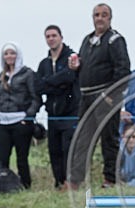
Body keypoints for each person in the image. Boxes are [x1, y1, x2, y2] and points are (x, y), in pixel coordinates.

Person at [67, 3, 131, 189]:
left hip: (105, 97)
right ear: (92, 18)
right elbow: (83, 68)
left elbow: (123, 71)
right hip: (86, 97)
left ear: (110, 18)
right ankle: (75, 181)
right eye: (97, 15)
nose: (100, 18)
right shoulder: (87, 40)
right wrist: (76, 68)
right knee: (82, 140)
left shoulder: (115, 40)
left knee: (109, 140)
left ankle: (110, 180)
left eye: (104, 15)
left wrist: (111, 96)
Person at [35, 25, 80, 189]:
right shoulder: (44, 64)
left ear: (61, 37)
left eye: (54, 35)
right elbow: (38, 86)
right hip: (52, 114)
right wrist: (57, 83)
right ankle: (59, 183)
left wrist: (50, 83)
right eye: (48, 36)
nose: (51, 39)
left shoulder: (72, 57)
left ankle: (71, 183)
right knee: (54, 150)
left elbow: (70, 76)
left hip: (70, 112)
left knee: (69, 149)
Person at [0, 42, 42, 189]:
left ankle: (25, 186)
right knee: (2, 158)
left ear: (18, 55)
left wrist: (28, 117)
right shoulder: (2, 75)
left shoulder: (27, 73)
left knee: (21, 158)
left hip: (20, 121)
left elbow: (36, 98)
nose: (9, 56)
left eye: (12, 53)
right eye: (6, 53)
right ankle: (3, 186)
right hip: (3, 122)